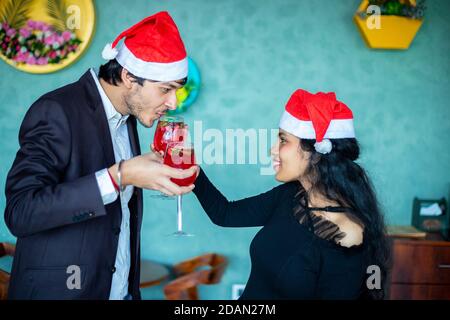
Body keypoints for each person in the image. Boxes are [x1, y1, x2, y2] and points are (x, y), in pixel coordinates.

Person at [4, 11, 197, 300]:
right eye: (166, 90)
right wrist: (118, 176)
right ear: (129, 77)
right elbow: (21, 212)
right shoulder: (57, 110)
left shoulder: (126, 117)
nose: (172, 102)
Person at [193, 89, 390, 299]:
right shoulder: (292, 196)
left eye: (283, 140)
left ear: (315, 154)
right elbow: (225, 214)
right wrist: (191, 171)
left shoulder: (347, 236)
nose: (273, 150)